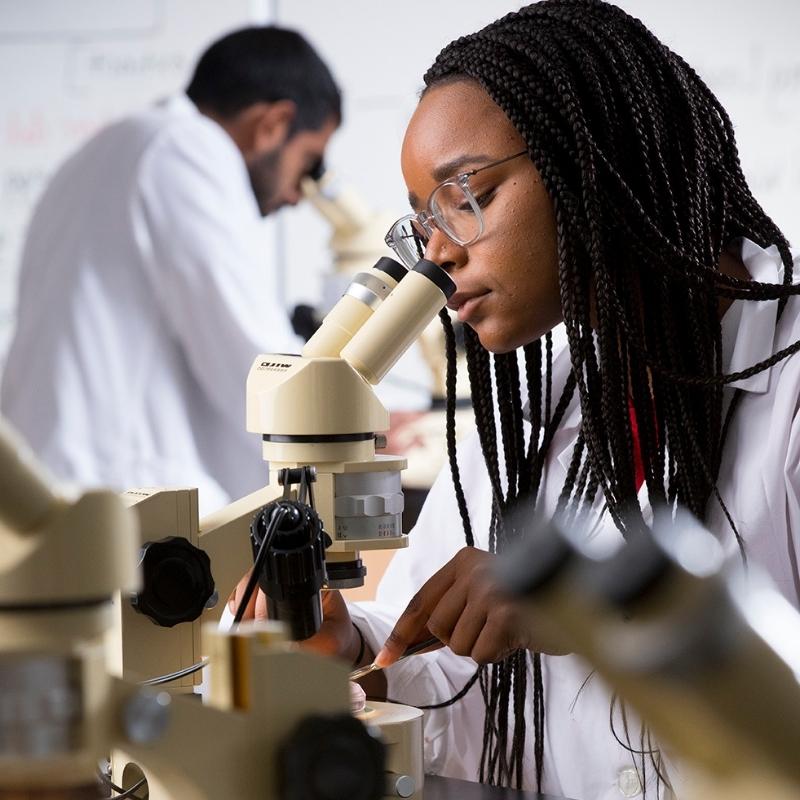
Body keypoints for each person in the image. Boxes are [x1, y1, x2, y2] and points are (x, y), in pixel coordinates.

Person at [232, 2, 800, 798]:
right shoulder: (539, 403)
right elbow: (472, 703)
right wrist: (356, 657)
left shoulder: (791, 385)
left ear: (593, 156)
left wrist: (592, 612)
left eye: (467, 194)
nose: (438, 254)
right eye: (424, 219)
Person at [0, 27, 340, 514]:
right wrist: (355, 433)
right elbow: (259, 374)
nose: (295, 195)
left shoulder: (116, 146)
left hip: (47, 487)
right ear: (274, 123)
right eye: (308, 163)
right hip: (113, 504)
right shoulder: (186, 150)